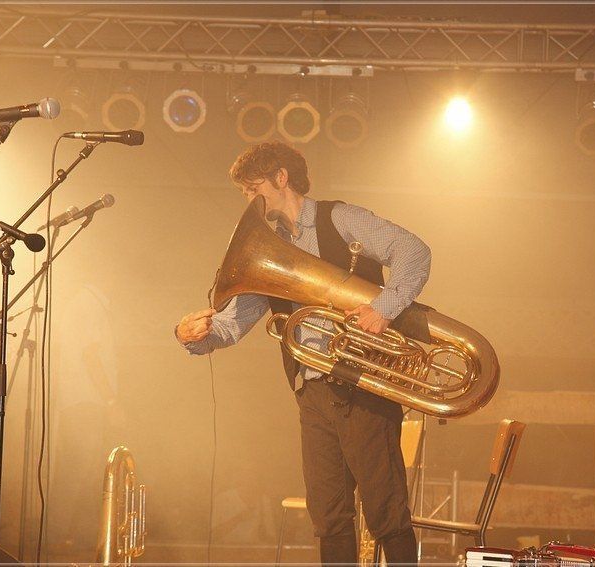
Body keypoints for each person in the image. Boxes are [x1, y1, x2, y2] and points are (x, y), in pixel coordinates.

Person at [175, 141, 430, 566]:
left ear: (281, 177)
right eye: (244, 192)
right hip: (313, 393)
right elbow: (231, 324)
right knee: (328, 518)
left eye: (254, 188)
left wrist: (384, 309)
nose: (249, 200)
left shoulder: (340, 218)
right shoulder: (264, 249)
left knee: (386, 514)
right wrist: (192, 335)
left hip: (364, 385)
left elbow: (414, 251)